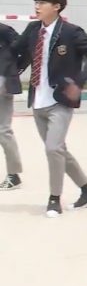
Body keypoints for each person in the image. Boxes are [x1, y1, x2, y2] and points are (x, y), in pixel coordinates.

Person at [13, 0, 87, 217]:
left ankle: (54, 198)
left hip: (60, 100)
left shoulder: (71, 32)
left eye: (42, 3)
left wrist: (79, 81)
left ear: (56, 6)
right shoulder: (33, 29)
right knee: (59, 149)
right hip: (37, 99)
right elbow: (14, 51)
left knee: (53, 148)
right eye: (36, 2)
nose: (37, 7)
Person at [0, 21, 22, 191]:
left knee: (3, 130)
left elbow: (24, 49)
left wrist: (13, 72)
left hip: (2, 82)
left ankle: (13, 175)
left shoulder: (4, 30)